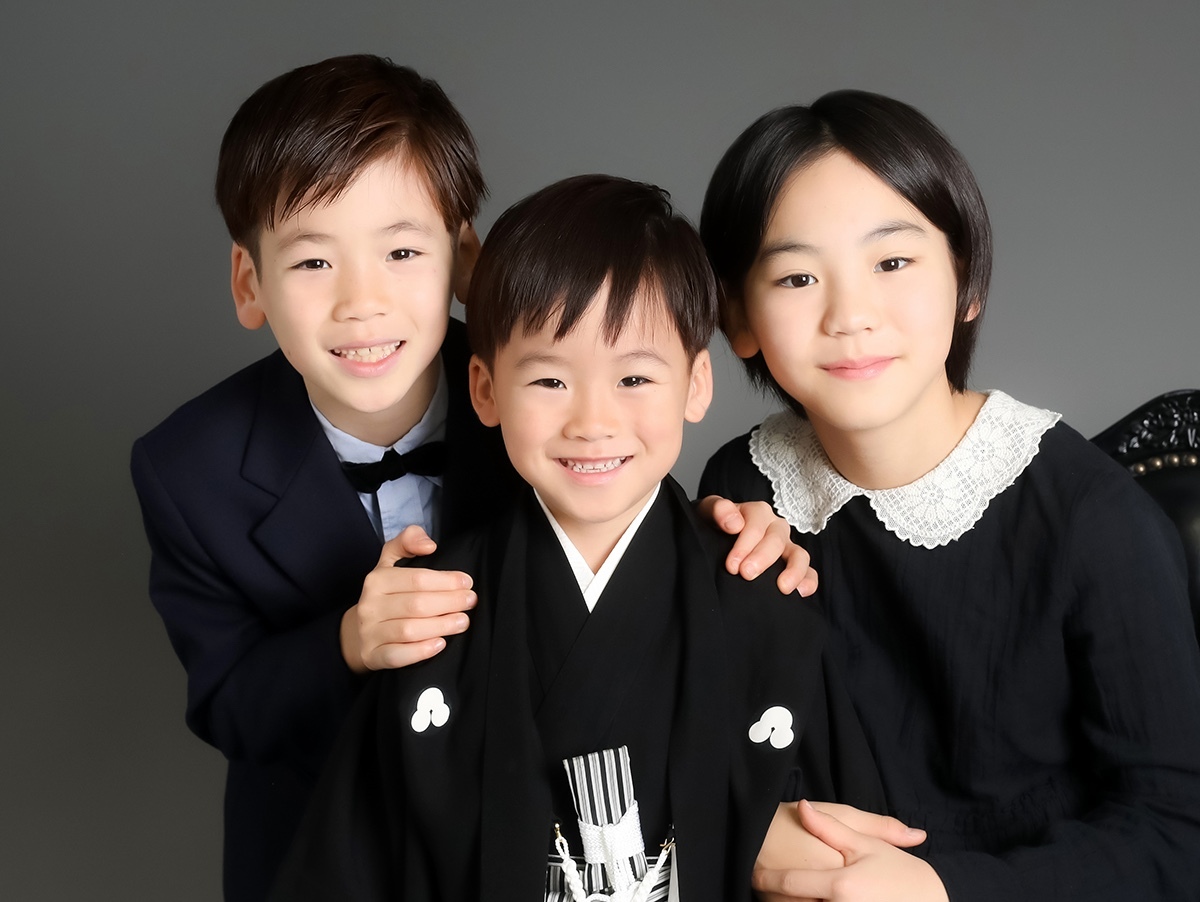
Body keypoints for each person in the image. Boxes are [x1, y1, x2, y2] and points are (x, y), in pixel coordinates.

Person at [129, 56, 815, 902]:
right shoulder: (188, 467)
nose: (362, 302)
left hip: (542, 840)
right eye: (312, 263)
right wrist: (351, 642)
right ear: (249, 283)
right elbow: (229, 702)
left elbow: (618, 483)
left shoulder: (536, 390)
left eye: (402, 250)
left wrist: (713, 537)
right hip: (323, 844)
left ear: (465, 260)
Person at [268, 175, 900, 902]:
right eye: (549, 382)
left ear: (697, 383)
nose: (593, 423)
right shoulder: (434, 613)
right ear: (485, 390)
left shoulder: (762, 598)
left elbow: (843, 854)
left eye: (634, 379)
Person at [697, 89, 1200, 901]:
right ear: (738, 319)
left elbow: (1179, 835)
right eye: (797, 276)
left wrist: (938, 891)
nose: (850, 315)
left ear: (967, 282)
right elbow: (716, 742)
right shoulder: (741, 487)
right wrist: (749, 821)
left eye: (892, 263)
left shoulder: (1091, 516)